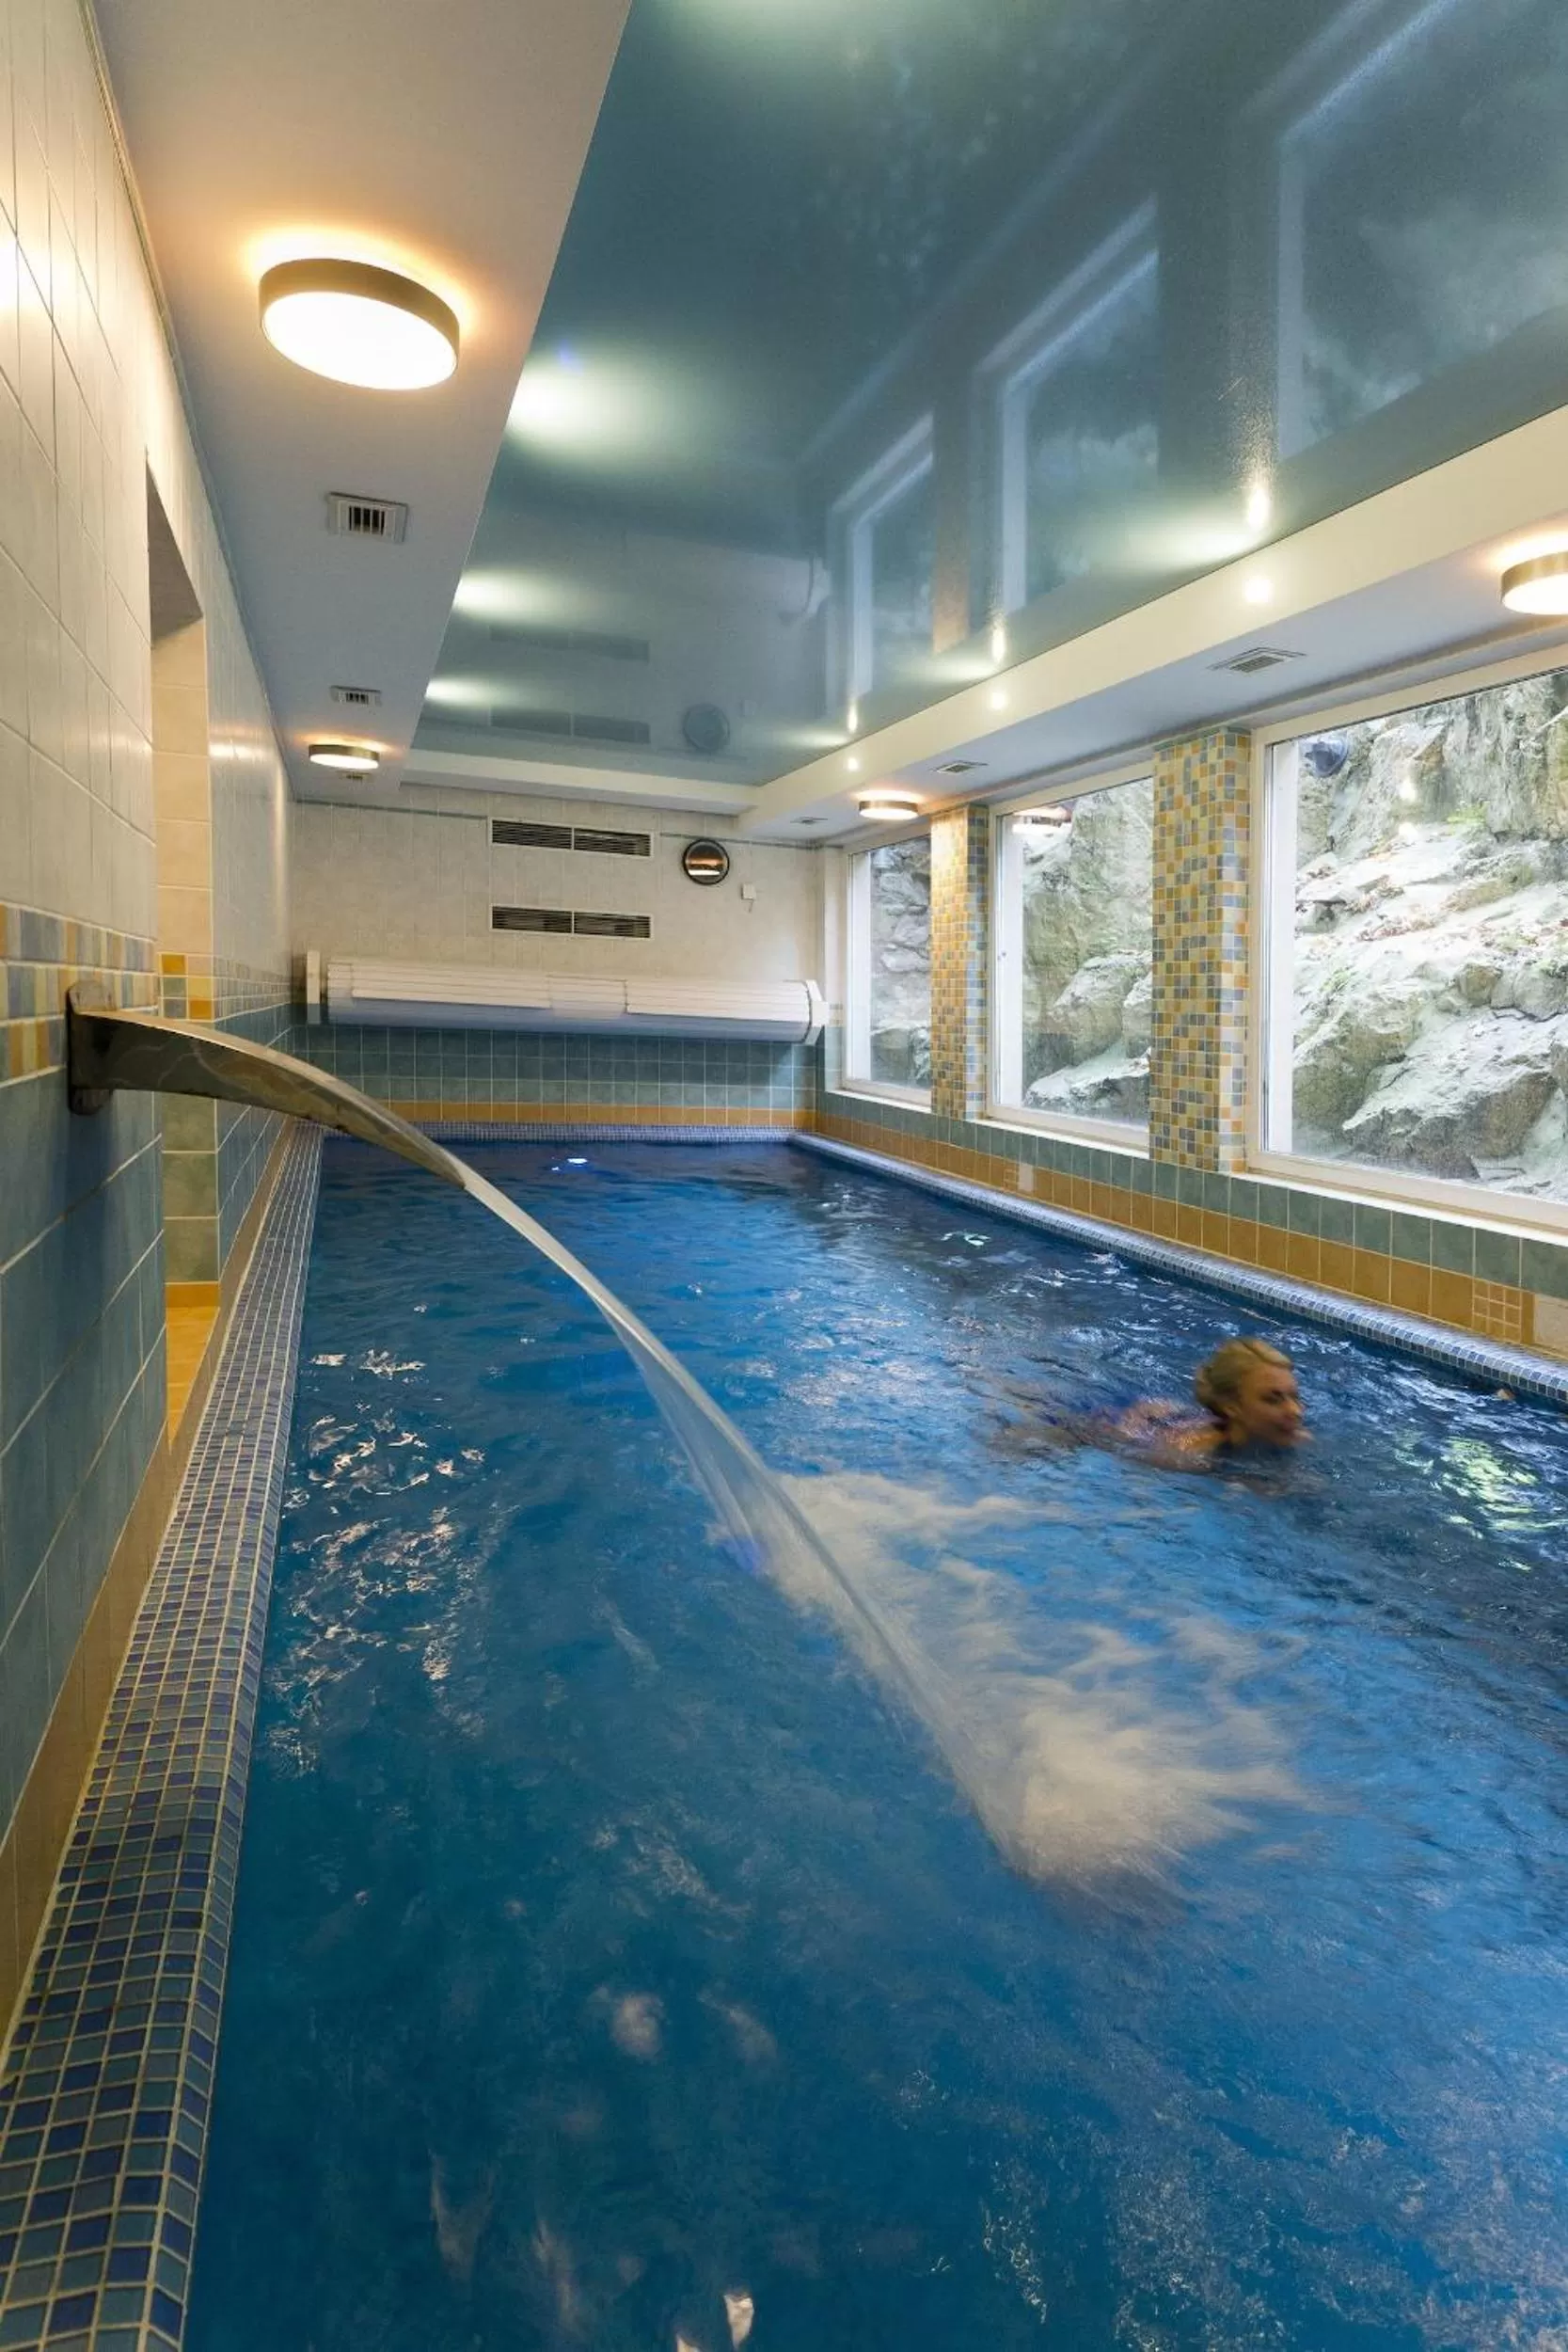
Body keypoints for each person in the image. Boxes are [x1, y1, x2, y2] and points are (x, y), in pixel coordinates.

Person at [1116, 1338, 1307, 1462]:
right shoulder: (1186, 1454)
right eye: (1273, 1400)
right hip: (1138, 1426)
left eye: (1295, 1397)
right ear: (1232, 1406)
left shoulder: (1291, 1436)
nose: (1295, 1411)